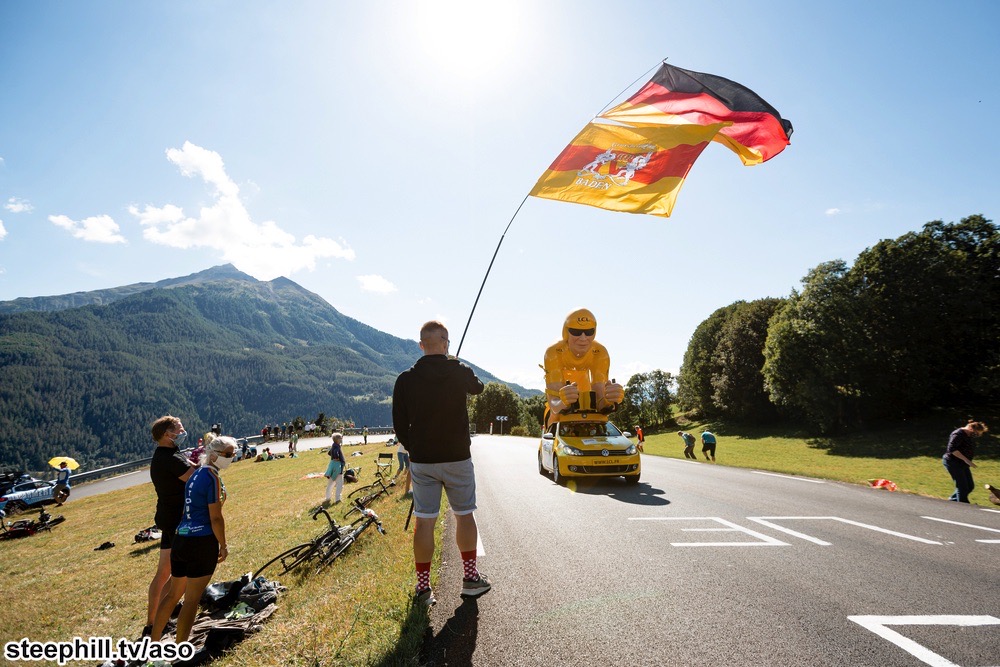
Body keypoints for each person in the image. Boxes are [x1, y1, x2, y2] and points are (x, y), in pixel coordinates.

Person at [393, 320, 488, 606]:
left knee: (425, 521)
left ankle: (423, 589)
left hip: (423, 461)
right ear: (446, 343)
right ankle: (470, 579)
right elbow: (479, 388)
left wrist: (414, 449)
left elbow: (399, 424)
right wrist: (458, 364)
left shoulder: (405, 379)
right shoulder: (457, 370)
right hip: (457, 457)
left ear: (421, 345)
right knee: (464, 515)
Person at [151, 436, 236, 644]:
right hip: (201, 542)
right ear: (214, 455)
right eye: (228, 454)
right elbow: (215, 518)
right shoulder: (212, 478)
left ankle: (152, 643)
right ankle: (180, 650)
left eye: (233, 454)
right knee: (191, 601)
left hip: (181, 539)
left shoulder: (196, 474)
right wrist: (223, 545)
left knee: (172, 595)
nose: (232, 457)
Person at [145, 415, 196, 636]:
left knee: (163, 571)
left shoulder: (164, 454)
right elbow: (195, 479)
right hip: (177, 520)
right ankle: (161, 619)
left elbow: (188, 466)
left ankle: (151, 622)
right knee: (177, 574)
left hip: (167, 517)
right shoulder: (172, 458)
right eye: (179, 429)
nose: (183, 433)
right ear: (168, 434)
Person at [542, 308, 624, 427]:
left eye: (589, 332)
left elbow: (600, 401)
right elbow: (554, 405)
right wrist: (563, 402)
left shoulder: (599, 352)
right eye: (576, 332)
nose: (583, 338)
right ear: (566, 332)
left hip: (584, 385)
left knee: (599, 417)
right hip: (562, 387)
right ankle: (550, 436)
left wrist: (609, 400)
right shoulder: (553, 352)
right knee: (556, 416)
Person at [943, 420, 988, 503]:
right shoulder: (958, 434)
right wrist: (967, 460)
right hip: (953, 462)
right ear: (970, 428)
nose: (976, 435)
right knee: (962, 487)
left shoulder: (968, 435)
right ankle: (964, 506)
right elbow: (952, 450)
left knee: (970, 486)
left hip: (962, 463)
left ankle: (953, 501)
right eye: (976, 433)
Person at [325, 432, 347, 504]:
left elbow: (329, 453)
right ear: (337, 439)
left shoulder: (334, 445)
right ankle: (338, 499)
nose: (342, 439)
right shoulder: (337, 446)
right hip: (338, 467)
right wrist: (337, 458)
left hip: (333, 466)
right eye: (341, 438)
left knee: (330, 483)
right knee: (339, 484)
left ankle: (328, 497)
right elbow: (335, 453)